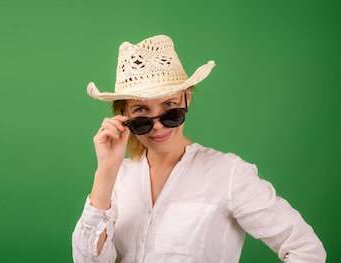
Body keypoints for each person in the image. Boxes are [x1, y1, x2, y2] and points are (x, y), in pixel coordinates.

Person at [71, 35, 326, 263]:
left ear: (186, 99)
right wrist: (106, 172)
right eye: (141, 112)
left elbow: (306, 249)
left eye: (170, 107)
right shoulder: (117, 179)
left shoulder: (228, 174)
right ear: (123, 115)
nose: (158, 126)